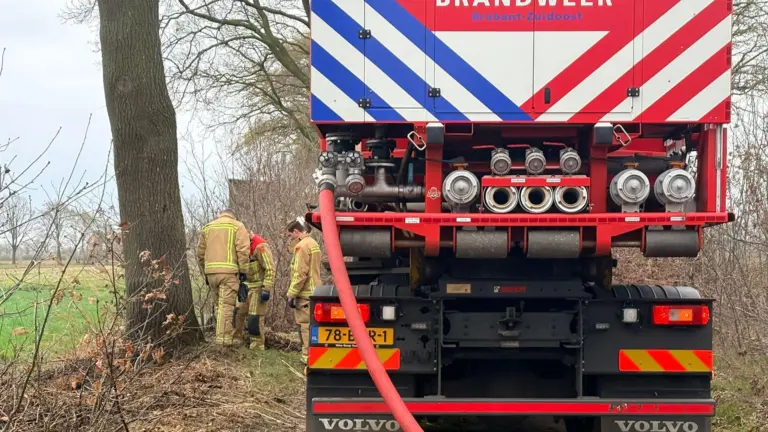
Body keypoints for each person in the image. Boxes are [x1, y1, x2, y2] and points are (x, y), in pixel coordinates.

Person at [196, 208, 251, 347]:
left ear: (219, 214)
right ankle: (223, 344)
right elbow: (243, 251)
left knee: (219, 306)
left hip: (211, 274)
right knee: (226, 308)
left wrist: (206, 270)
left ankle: (220, 339)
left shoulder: (207, 227)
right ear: (233, 215)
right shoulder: (237, 226)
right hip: (229, 273)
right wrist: (244, 271)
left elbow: (200, 254)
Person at [286, 217, 322, 365]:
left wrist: (291, 294)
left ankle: (308, 356)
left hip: (305, 293)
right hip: (315, 290)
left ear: (296, 231)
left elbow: (300, 273)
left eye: (290, 235)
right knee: (313, 325)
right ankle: (313, 354)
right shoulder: (313, 243)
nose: (291, 238)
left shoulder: (302, 246)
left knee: (305, 325)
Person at [234, 232, 275, 350]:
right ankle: (236, 340)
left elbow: (270, 268)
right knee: (237, 312)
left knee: (254, 317)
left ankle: (257, 345)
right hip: (245, 286)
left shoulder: (260, 246)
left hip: (258, 287)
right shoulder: (240, 246)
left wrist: (266, 288)